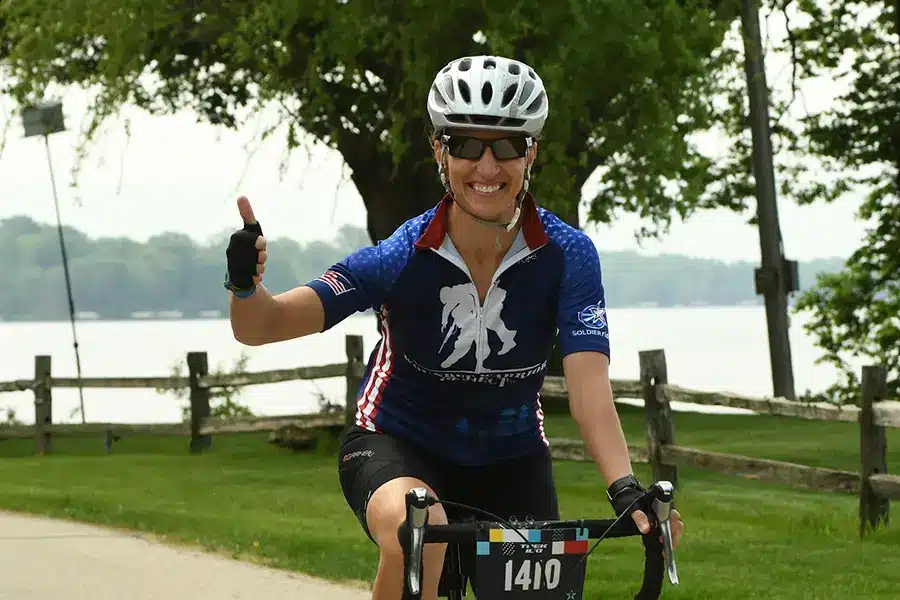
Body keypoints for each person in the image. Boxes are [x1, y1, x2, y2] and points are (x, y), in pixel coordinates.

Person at [224, 54, 684, 600]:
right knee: (419, 533)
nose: (487, 168)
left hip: (510, 456)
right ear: (439, 152)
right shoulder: (402, 255)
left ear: (530, 151)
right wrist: (244, 285)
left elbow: (588, 388)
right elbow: (264, 325)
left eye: (507, 146)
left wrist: (625, 489)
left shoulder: (568, 256)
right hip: (398, 444)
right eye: (466, 145)